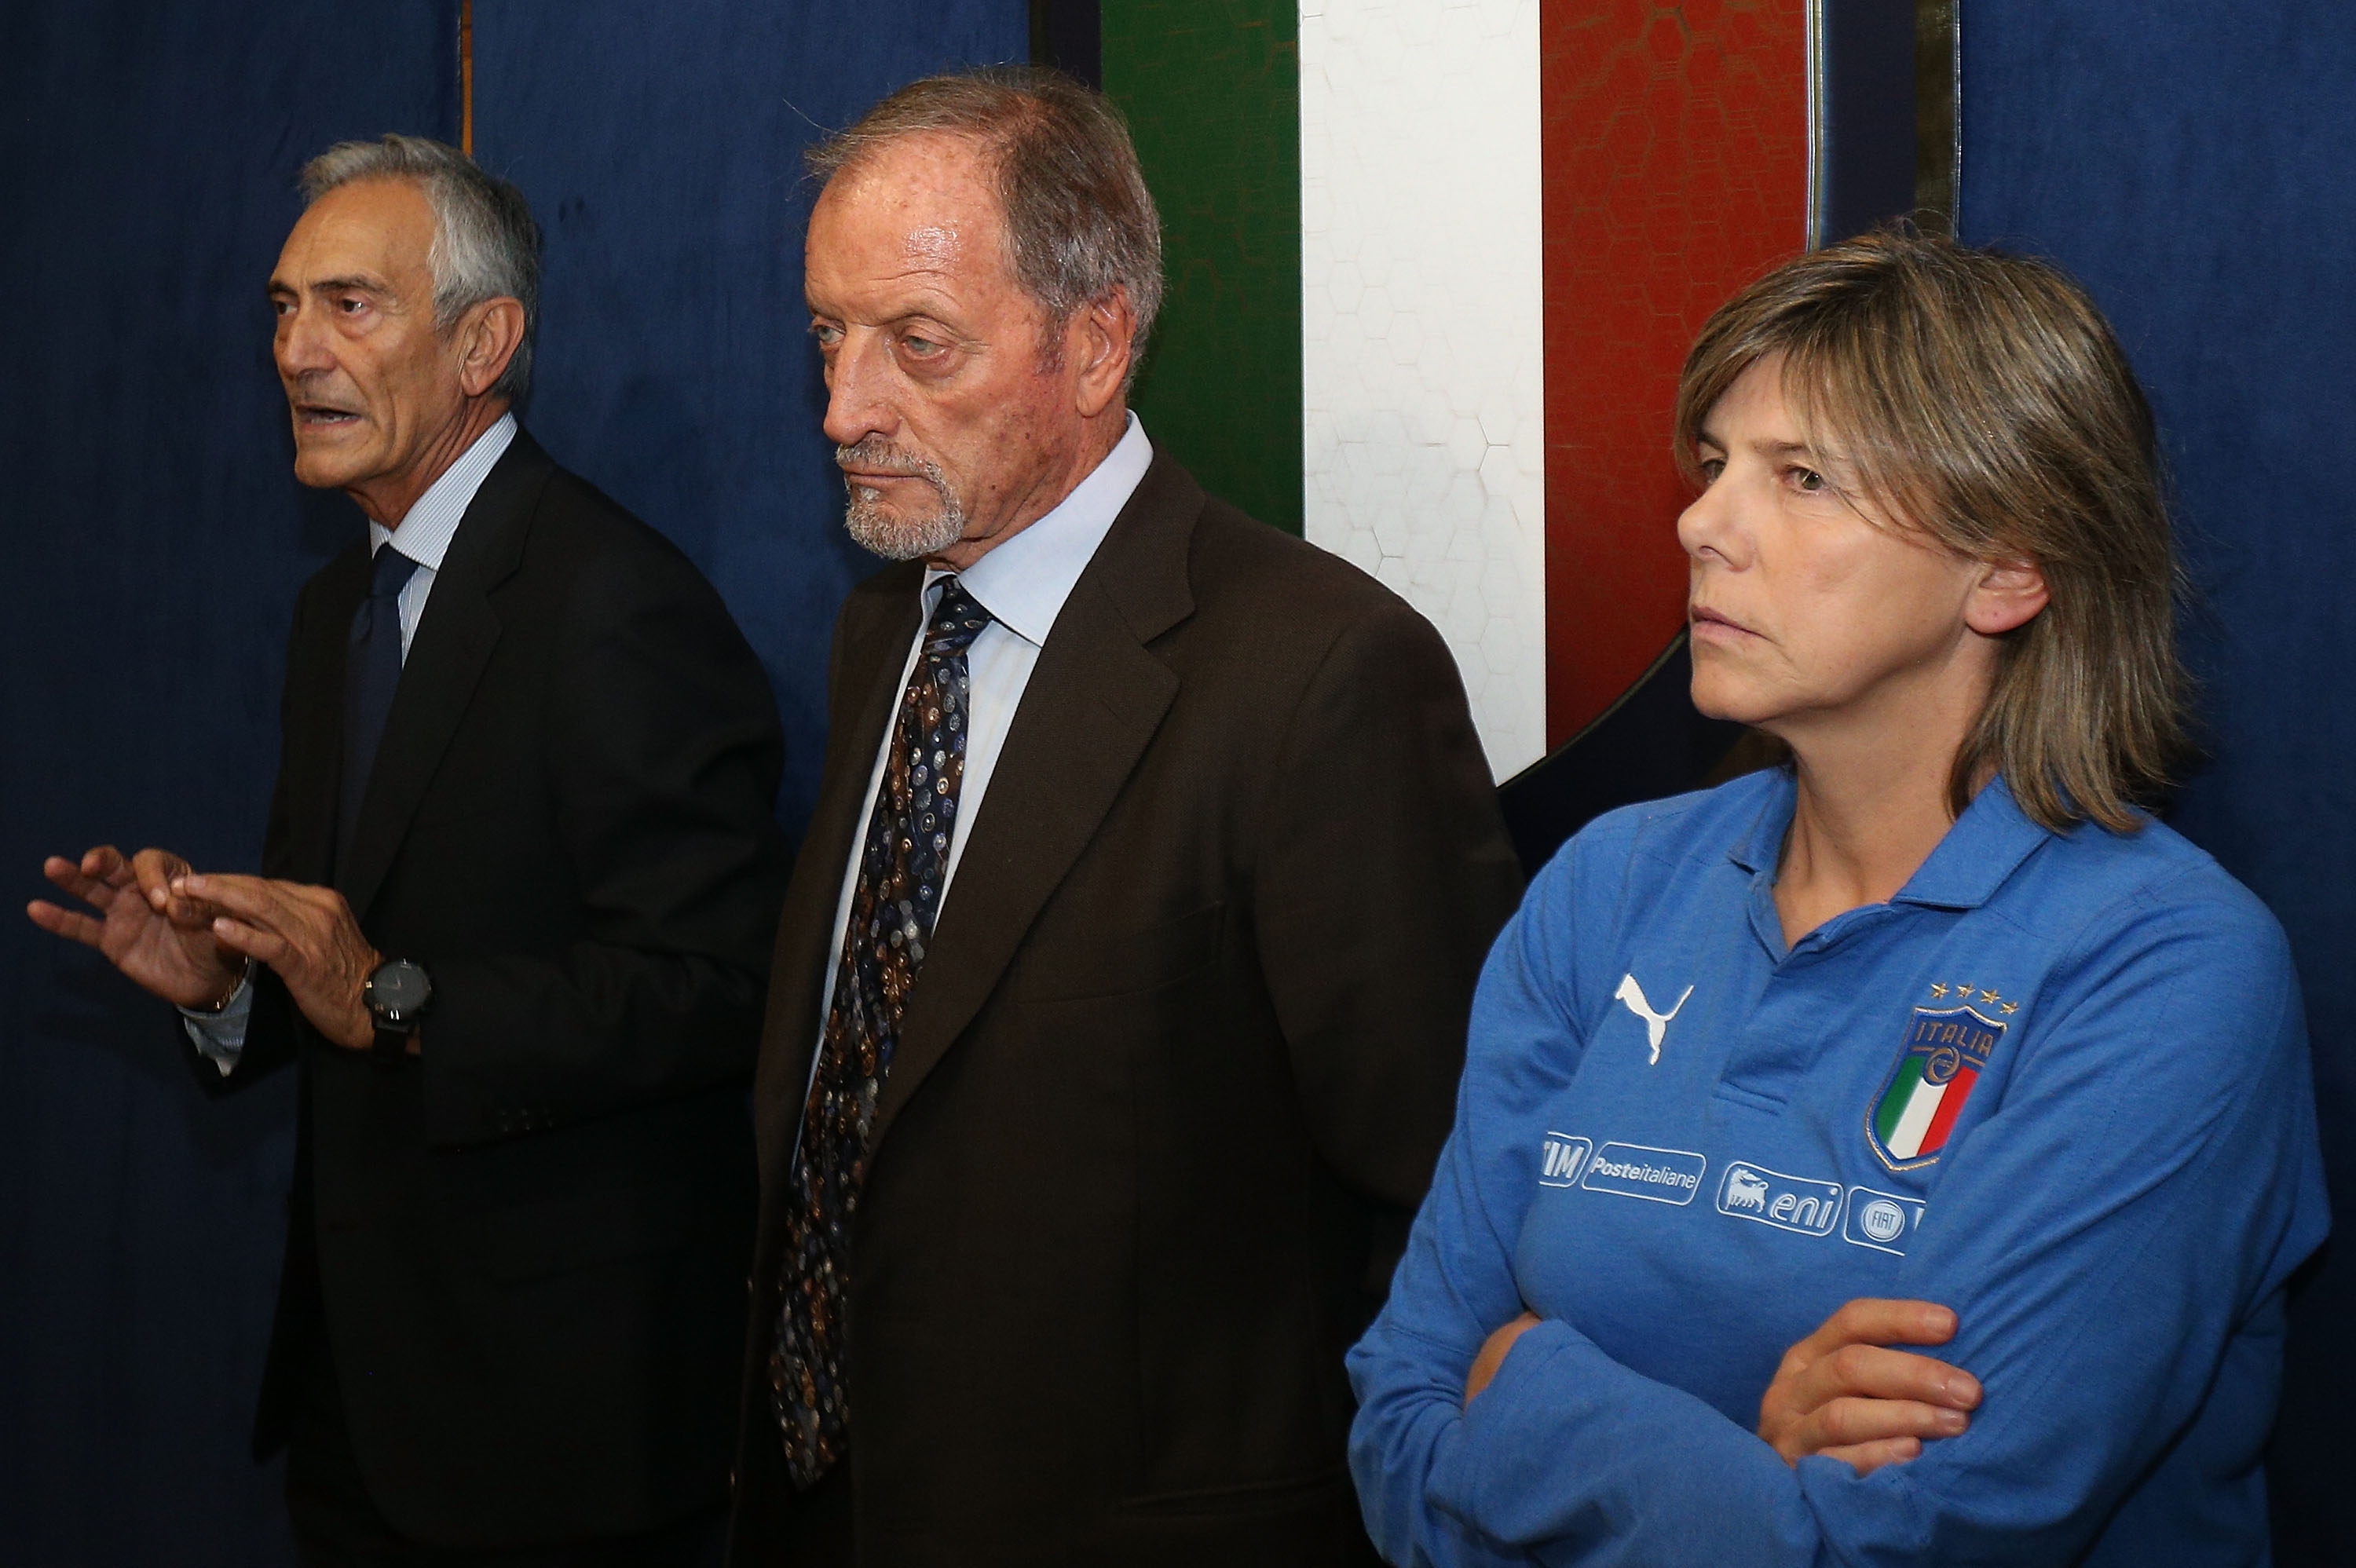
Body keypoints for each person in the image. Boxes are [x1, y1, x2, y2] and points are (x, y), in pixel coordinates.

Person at [1347, 231, 2329, 1566]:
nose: (1702, 522)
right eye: (1716, 463)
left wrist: (1523, 1387)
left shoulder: (2165, 969)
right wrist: (1752, 1451)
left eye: (1803, 477)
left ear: (2009, 567)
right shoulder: (1610, 885)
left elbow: (1922, 1538)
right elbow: (1402, 1428)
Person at [726, 69, 1524, 1565]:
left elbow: (1445, 1194)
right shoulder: (883, 630)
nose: (844, 408)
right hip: (829, 1496)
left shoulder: (1320, 675)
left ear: (1094, 343)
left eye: (917, 343)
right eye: (829, 335)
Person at [27, 135, 790, 1563]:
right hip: (356, 1405)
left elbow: (723, 986)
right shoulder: (336, 610)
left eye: (349, 305)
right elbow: (340, 962)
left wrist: (396, 996)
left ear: (483, 344)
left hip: (556, 1429)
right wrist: (225, 985)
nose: (293, 351)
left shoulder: (613, 601)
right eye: (281, 307)